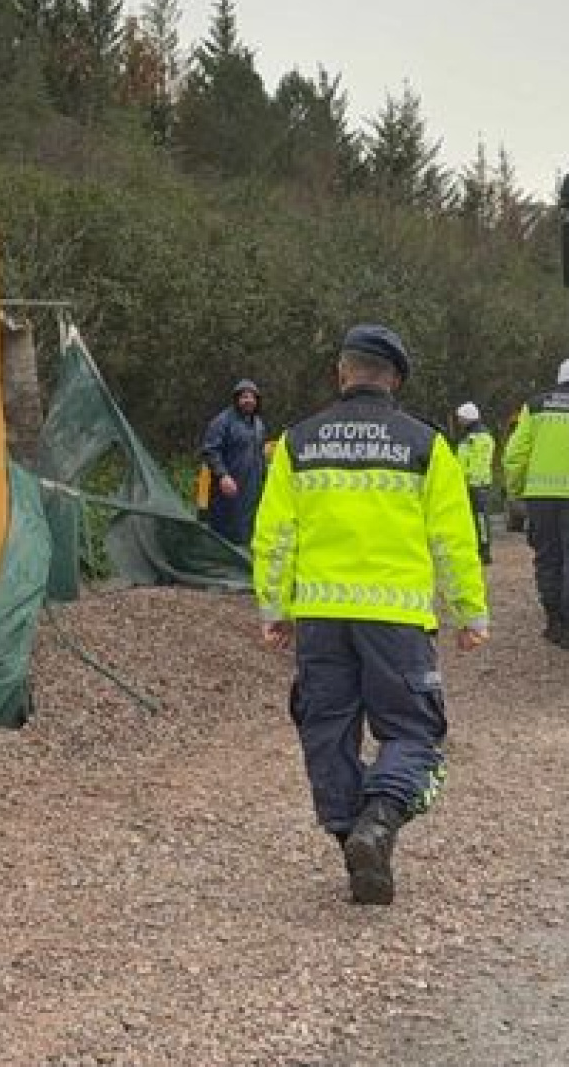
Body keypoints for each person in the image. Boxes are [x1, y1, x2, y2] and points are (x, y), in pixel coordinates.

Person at [252, 324, 489, 906]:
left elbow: (274, 535)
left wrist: (275, 608)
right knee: (413, 732)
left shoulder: (297, 443)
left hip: (322, 619)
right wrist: (469, 613)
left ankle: (352, 846)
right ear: (397, 381)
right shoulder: (426, 445)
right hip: (397, 621)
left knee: (326, 731)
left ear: (341, 372)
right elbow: (453, 540)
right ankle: (378, 823)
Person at [503, 356, 569, 650]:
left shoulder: (535, 406)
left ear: (560, 376)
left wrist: (515, 489)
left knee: (548, 558)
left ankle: (553, 622)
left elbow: (515, 454)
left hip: (539, 497)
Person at [200, 379, 267, 546]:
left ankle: (242, 567)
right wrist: (223, 475)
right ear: (237, 399)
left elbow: (260, 453)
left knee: (249, 531)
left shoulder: (258, 424)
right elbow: (210, 450)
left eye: (252, 397)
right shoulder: (222, 421)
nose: (248, 400)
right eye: (244, 396)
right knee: (226, 532)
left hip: (253, 488)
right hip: (229, 488)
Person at [455, 402, 495, 565]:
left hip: (475, 485)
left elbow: (476, 464)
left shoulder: (477, 437)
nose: (458, 420)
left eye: (460, 417)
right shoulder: (472, 436)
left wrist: (466, 479)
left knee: (479, 518)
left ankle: (484, 551)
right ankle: (478, 548)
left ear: (467, 417)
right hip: (470, 483)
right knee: (475, 518)